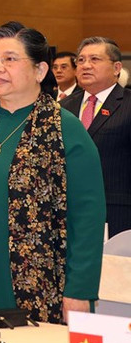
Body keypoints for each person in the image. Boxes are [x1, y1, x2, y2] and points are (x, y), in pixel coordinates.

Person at [0, 22, 105, 324]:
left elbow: (87, 217)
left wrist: (81, 290)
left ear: (39, 71)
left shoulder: (64, 128)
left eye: (10, 59)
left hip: (45, 285)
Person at [61, 37, 131, 235]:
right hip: (68, 213)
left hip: (117, 214)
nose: (85, 66)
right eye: (81, 60)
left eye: (94, 59)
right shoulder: (63, 108)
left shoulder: (128, 105)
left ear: (116, 67)